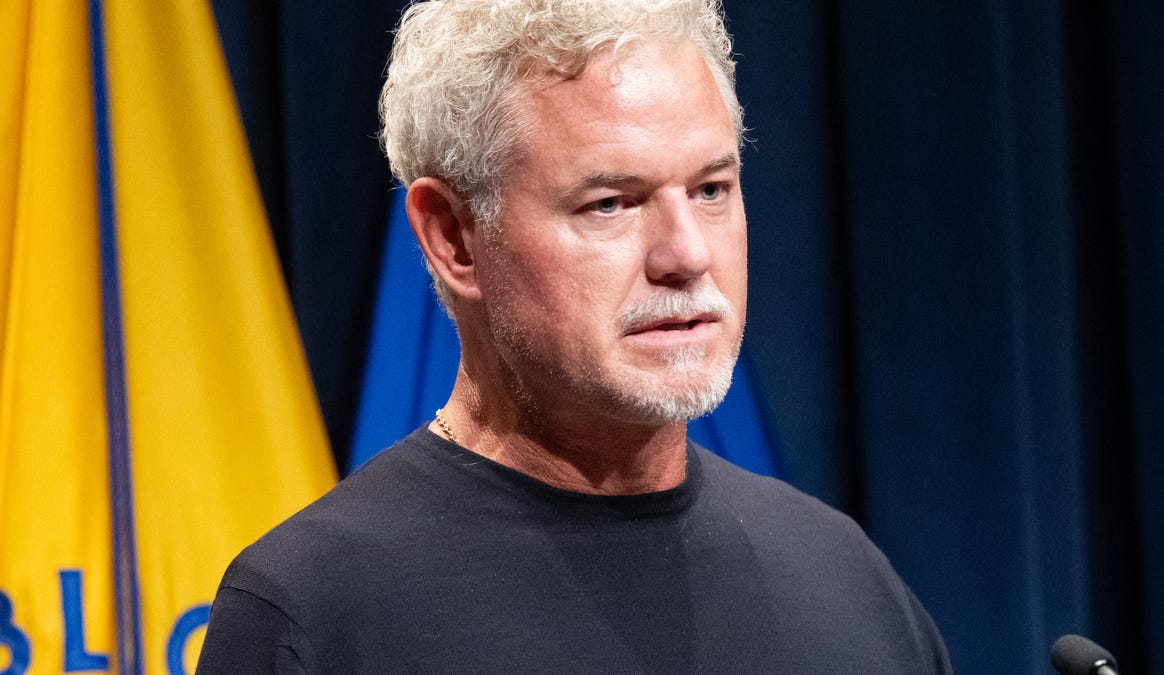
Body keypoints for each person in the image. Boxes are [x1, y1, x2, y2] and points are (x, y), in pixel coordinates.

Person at [197, 0, 953, 672]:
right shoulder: (314, 614)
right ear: (455, 237)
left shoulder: (846, 583)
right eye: (611, 204)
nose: (687, 254)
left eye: (711, 189)